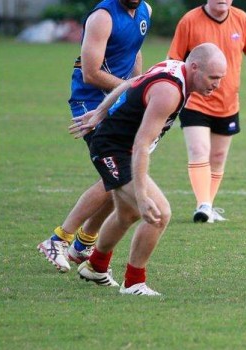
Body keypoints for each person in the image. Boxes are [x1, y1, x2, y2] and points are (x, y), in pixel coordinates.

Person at [70, 43, 227, 296]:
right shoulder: (169, 91)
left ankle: (96, 267)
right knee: (159, 213)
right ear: (195, 67)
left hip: (120, 146)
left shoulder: (176, 67)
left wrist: (100, 111)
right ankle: (134, 283)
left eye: (221, 78)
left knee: (127, 214)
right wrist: (142, 197)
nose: (217, 84)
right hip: (115, 150)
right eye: (213, 77)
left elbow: (130, 83)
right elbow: (141, 144)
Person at [37, 0, 151, 273]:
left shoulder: (146, 10)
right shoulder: (102, 17)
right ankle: (58, 240)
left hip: (119, 101)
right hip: (90, 104)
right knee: (120, 173)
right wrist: (135, 87)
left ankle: (82, 243)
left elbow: (134, 53)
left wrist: (136, 95)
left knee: (117, 175)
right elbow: (91, 73)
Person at [167, 0, 246, 223]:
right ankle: (204, 205)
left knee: (218, 157)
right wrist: (174, 92)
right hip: (195, 101)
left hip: (228, 102)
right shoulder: (189, 21)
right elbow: (174, 60)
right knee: (199, 150)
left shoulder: (241, 19)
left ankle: (207, 206)